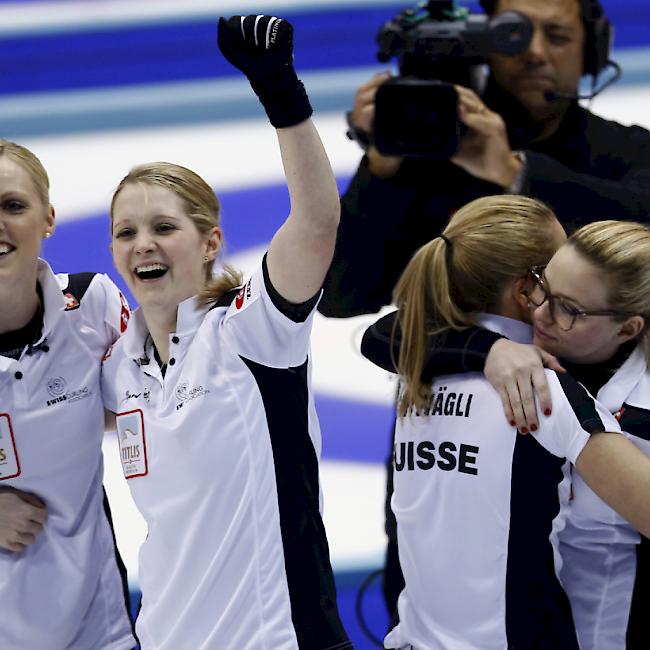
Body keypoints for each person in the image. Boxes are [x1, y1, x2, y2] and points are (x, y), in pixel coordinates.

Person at [319, 0, 650, 617]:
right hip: (443, 487)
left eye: (555, 34)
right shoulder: (423, 155)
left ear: (593, 50)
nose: (532, 52)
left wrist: (517, 173)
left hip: (594, 506)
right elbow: (342, 297)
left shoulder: (627, 155)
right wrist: (382, 167)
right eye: (514, 35)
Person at [99, 15, 352, 650]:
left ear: (210, 241)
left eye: (164, 227)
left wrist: (281, 94)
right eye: (126, 233)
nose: (143, 245)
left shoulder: (250, 329)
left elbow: (318, 222)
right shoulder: (117, 367)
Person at [360, 195, 650, 649]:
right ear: (527, 287)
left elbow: (384, 334)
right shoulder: (542, 390)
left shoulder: (415, 367)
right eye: (549, 289)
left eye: (570, 307)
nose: (550, 311)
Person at [0, 140, 135, 649]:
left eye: (13, 206)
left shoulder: (92, 305)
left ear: (48, 218)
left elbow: (142, 403)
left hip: (95, 624)